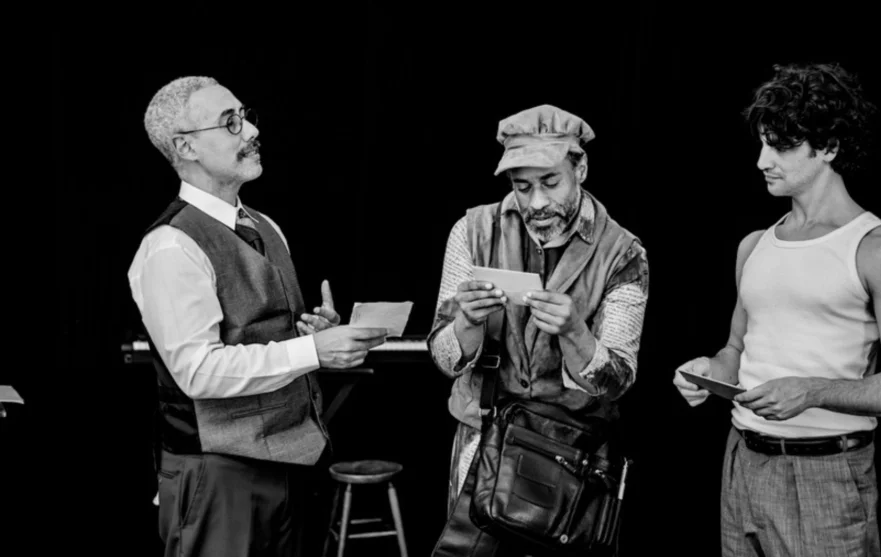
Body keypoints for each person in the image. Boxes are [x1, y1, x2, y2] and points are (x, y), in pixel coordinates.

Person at [672, 62, 881, 556]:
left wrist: (812, 392)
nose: (762, 161)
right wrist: (708, 371)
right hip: (742, 460)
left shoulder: (880, 253)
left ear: (829, 147)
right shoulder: (754, 245)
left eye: (781, 146)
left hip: (826, 474)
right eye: (762, 144)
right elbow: (735, 350)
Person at [128, 75, 389, 557]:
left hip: (292, 465)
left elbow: (266, 338)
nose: (250, 130)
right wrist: (310, 350)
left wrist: (313, 338)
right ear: (186, 147)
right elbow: (198, 371)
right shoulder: (170, 246)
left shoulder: (266, 227)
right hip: (218, 476)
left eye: (245, 116)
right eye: (230, 122)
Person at [427, 104, 650, 554]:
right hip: (483, 444)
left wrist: (575, 333)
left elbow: (618, 381)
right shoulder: (471, 231)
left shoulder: (624, 253)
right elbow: (445, 359)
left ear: (580, 169)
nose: (536, 203)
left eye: (550, 182)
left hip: (571, 458)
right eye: (522, 186)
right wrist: (467, 321)